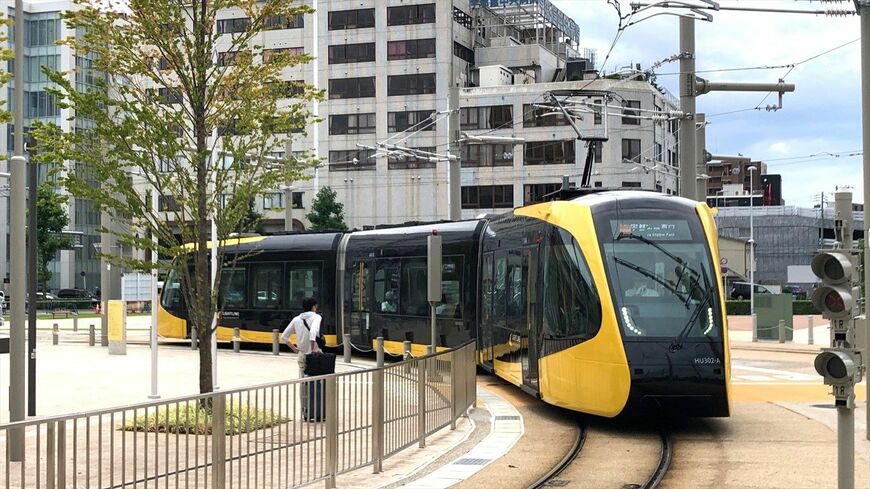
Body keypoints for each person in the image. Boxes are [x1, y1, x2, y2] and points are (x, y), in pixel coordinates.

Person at [282, 297, 322, 378]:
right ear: (313, 307)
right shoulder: (317, 317)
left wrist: (295, 349)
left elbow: (284, 337)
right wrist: (312, 350)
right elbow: (313, 333)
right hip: (315, 355)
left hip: (301, 354)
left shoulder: (296, 319)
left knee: (302, 379)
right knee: (316, 380)